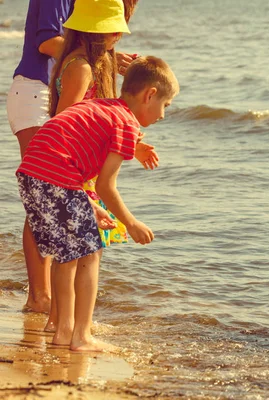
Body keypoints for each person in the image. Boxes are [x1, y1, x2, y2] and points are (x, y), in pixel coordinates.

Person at [16, 55, 179, 351]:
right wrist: (131, 223)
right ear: (150, 95)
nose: (163, 115)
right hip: (54, 177)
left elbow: (67, 158)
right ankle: (81, 336)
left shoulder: (104, 107)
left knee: (67, 255)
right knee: (90, 253)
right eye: (165, 106)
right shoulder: (126, 123)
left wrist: (90, 206)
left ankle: (63, 330)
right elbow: (105, 185)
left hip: (32, 173)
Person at [42, 0, 159, 333]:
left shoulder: (94, 63)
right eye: (112, 33)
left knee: (77, 249)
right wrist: (74, 181)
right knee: (82, 250)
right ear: (98, 32)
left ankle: (64, 321)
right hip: (74, 170)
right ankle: (72, 324)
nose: (116, 39)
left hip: (82, 168)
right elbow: (64, 123)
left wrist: (132, 146)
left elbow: (102, 119)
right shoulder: (81, 67)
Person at [6, 0, 73, 314]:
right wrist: (95, 55)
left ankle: (43, 295)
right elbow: (47, 41)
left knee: (49, 197)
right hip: (35, 93)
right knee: (42, 197)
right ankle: (39, 298)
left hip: (44, 94)